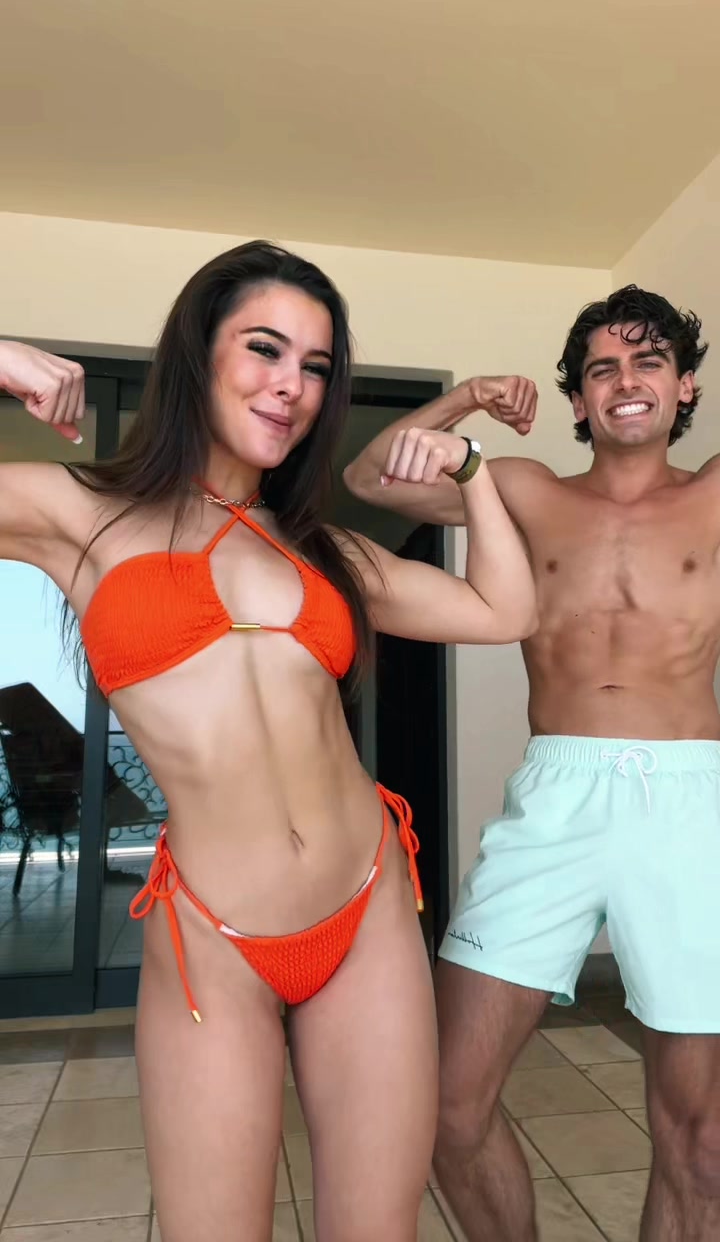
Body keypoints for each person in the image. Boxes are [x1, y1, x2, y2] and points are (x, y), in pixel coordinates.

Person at [0, 240, 537, 1242]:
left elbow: (504, 607)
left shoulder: (322, 548)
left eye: (316, 365)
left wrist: (470, 469)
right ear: (199, 351)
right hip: (216, 936)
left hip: (367, 908)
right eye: (265, 348)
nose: (292, 384)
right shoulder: (77, 511)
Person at [344, 283, 720, 1242]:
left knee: (703, 1143)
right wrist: (467, 397)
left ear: (684, 387)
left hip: (690, 802)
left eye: (649, 362)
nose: (625, 382)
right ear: (579, 397)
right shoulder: (524, 488)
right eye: (603, 368)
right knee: (447, 1106)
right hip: (557, 795)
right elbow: (370, 480)